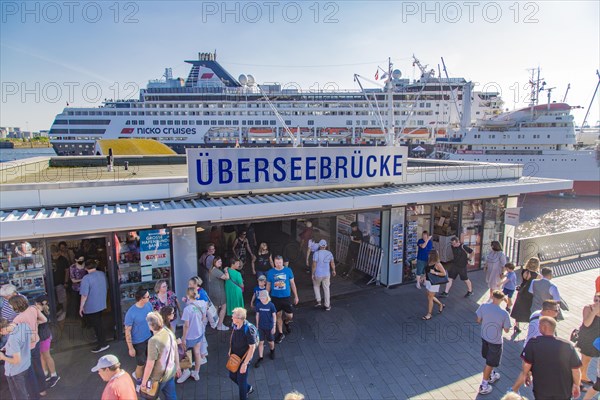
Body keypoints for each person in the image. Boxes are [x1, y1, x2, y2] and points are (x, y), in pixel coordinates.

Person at [511, 316, 581, 399]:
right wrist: (576, 385)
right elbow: (576, 371)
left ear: (544, 327)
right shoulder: (567, 345)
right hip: (563, 390)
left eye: (539, 325)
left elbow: (526, 365)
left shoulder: (534, 343)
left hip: (542, 390)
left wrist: (526, 374)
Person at [11, 294, 48, 397]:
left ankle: (34, 395)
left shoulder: (17, 319)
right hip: (36, 342)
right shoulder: (33, 309)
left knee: (29, 373)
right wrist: (35, 324)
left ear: (15, 306)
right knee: (38, 367)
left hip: (25, 348)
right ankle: (42, 389)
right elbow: (44, 320)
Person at [475, 290, 511, 395]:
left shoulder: (483, 306)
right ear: (502, 299)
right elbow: (507, 330)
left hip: (484, 337)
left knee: (488, 357)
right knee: (490, 363)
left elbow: (478, 320)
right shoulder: (504, 313)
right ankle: (484, 385)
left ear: (492, 296)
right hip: (495, 341)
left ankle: (491, 374)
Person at [142, 311, 180, 400]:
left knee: (148, 397)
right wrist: (177, 366)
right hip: (170, 372)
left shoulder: (153, 341)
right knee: (171, 396)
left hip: (157, 378)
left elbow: (150, 364)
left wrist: (143, 383)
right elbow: (175, 350)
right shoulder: (168, 332)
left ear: (151, 326)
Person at [0, 317, 36, 400]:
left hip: (15, 372)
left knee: (19, 396)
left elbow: (16, 360)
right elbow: (32, 339)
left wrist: (3, 357)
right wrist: (9, 347)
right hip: (26, 365)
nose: (2, 334)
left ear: (2, 329)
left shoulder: (13, 339)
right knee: (24, 392)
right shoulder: (23, 326)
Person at [178, 288, 209, 383]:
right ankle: (196, 373)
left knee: (184, 353)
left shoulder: (187, 309)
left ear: (188, 296)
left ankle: (186, 371)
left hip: (189, 335)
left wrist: (183, 338)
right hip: (199, 333)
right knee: (197, 352)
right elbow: (204, 317)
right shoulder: (203, 303)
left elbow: (186, 325)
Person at [124, 288, 153, 390]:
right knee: (141, 363)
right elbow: (127, 331)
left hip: (149, 337)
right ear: (141, 299)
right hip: (138, 341)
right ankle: (139, 381)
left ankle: (147, 378)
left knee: (150, 360)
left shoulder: (148, 305)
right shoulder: (131, 313)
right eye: (148, 297)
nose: (149, 298)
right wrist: (130, 347)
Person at [267, 255, 299, 344]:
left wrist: (296, 296)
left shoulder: (288, 270)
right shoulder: (270, 272)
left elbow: (292, 284)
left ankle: (286, 322)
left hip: (286, 297)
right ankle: (280, 333)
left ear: (282, 262)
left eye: (280, 263)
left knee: (290, 316)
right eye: (276, 263)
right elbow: (268, 285)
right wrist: (266, 296)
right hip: (275, 297)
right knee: (278, 315)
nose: (278, 265)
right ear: (274, 263)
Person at [79, 259, 109, 353]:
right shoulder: (102, 274)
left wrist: (81, 307)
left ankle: (102, 344)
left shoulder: (86, 278)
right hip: (101, 303)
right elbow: (106, 286)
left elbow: (84, 295)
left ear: (86, 267)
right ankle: (102, 341)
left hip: (92, 306)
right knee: (99, 323)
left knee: (97, 325)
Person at [228, 307, 257, 400]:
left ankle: (243, 395)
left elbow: (252, 347)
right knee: (232, 376)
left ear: (239, 319)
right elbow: (233, 337)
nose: (232, 317)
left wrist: (245, 364)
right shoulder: (235, 324)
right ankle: (248, 388)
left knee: (241, 380)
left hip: (244, 359)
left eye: (233, 316)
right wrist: (230, 349)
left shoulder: (248, 329)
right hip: (235, 356)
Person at [575, 292, 600, 388]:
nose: (597, 302)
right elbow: (587, 323)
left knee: (588, 360)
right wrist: (594, 312)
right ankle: (578, 381)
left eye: (599, 301)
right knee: (585, 360)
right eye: (595, 300)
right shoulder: (588, 308)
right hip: (587, 338)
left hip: (596, 339)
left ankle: (583, 375)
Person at [34, 295, 60, 388]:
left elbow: (36, 323)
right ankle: (45, 373)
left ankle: (54, 375)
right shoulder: (42, 311)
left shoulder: (41, 313)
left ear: (37, 303)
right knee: (42, 356)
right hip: (42, 337)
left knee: (47, 356)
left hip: (44, 338)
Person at [510, 257, 541, 334]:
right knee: (529, 309)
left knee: (519, 307)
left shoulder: (524, 271)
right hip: (530, 294)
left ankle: (516, 325)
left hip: (522, 291)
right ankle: (530, 326)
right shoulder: (537, 275)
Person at [253, 290, 276, 368]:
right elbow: (257, 315)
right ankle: (260, 357)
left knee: (270, 342)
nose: (261, 299)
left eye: (263, 298)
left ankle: (272, 351)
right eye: (260, 298)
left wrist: (274, 326)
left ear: (267, 297)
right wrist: (257, 325)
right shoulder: (259, 305)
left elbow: (274, 316)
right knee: (260, 342)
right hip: (261, 327)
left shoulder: (271, 305)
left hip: (269, 327)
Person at [312, 239, 336, 311]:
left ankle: (318, 300)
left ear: (319, 245)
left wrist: (312, 274)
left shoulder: (316, 253)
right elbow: (332, 263)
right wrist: (334, 270)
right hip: (326, 274)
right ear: (326, 246)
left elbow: (314, 265)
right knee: (326, 289)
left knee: (316, 286)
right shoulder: (329, 253)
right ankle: (327, 305)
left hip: (318, 274)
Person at [51, 241, 73, 320]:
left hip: (61, 282)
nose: (55, 256)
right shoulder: (49, 259)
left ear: (59, 252)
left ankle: (64, 311)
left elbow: (67, 271)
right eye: (53, 254)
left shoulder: (63, 259)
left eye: (57, 254)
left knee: (63, 298)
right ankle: (60, 310)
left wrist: (66, 282)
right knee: (55, 298)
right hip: (51, 282)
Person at [207, 256, 231, 331]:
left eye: (221, 261)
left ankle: (215, 323)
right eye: (218, 262)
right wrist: (226, 270)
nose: (220, 263)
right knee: (223, 307)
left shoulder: (211, 270)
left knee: (215, 308)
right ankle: (220, 325)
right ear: (214, 262)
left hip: (213, 292)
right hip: (219, 292)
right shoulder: (216, 271)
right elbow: (226, 278)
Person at [422, 250, 446, 320]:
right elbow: (427, 271)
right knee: (429, 296)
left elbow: (444, 273)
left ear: (432, 255)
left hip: (434, 282)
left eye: (429, 254)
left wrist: (435, 272)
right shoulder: (429, 262)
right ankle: (440, 304)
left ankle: (429, 314)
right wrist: (423, 276)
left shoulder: (437, 264)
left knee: (430, 298)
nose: (428, 255)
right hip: (428, 281)